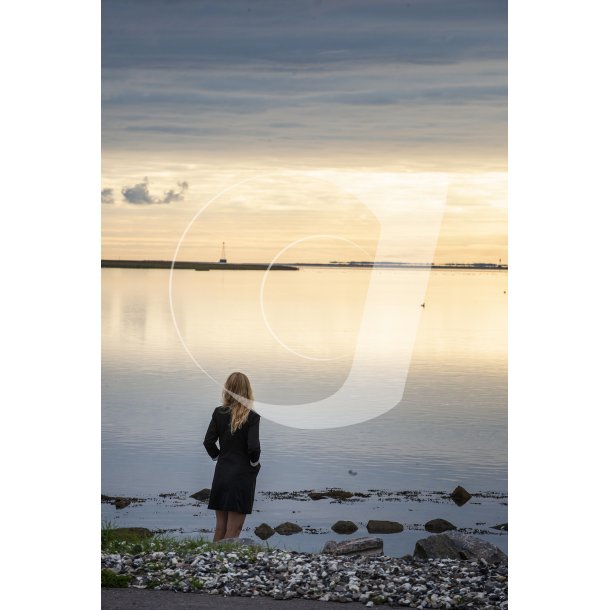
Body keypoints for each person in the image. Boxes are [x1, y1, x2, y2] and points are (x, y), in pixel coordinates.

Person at [203, 371, 261, 541]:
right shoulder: (252, 416)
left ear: (227, 389)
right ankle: (224, 564)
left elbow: (208, 442)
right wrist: (254, 464)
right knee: (234, 530)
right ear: (247, 390)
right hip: (242, 475)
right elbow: (253, 448)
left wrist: (218, 457)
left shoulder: (218, 412)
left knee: (220, 528)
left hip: (222, 472)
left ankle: (212, 561)